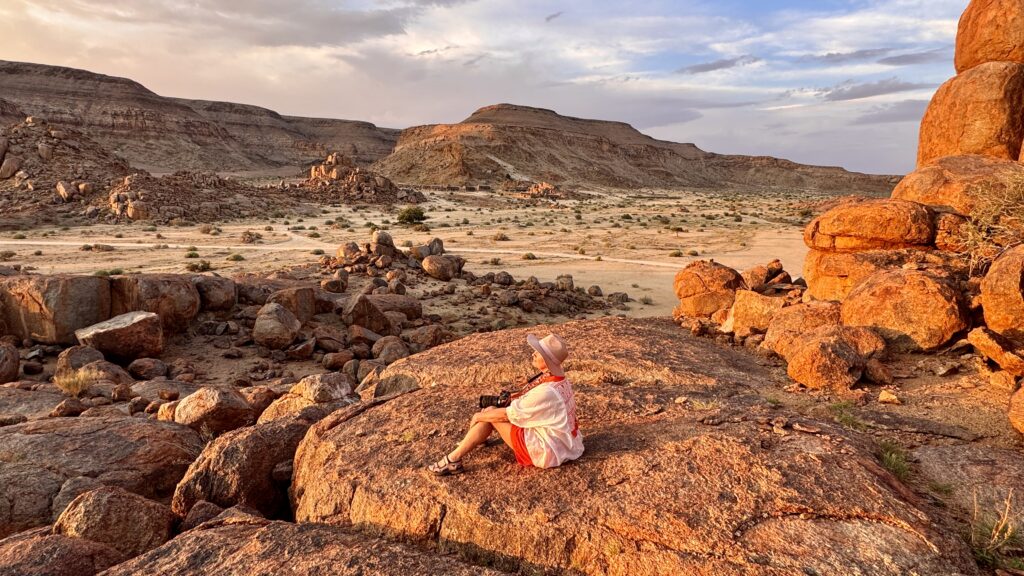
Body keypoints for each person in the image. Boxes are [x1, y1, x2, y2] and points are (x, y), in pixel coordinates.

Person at [428, 333, 584, 475]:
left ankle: (453, 459)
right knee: (491, 413)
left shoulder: (547, 392)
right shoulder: (560, 380)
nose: (533, 354)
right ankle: (475, 441)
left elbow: (506, 415)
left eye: (538, 353)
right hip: (563, 442)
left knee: (490, 413)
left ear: (547, 361)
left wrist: (478, 416)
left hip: (547, 451)